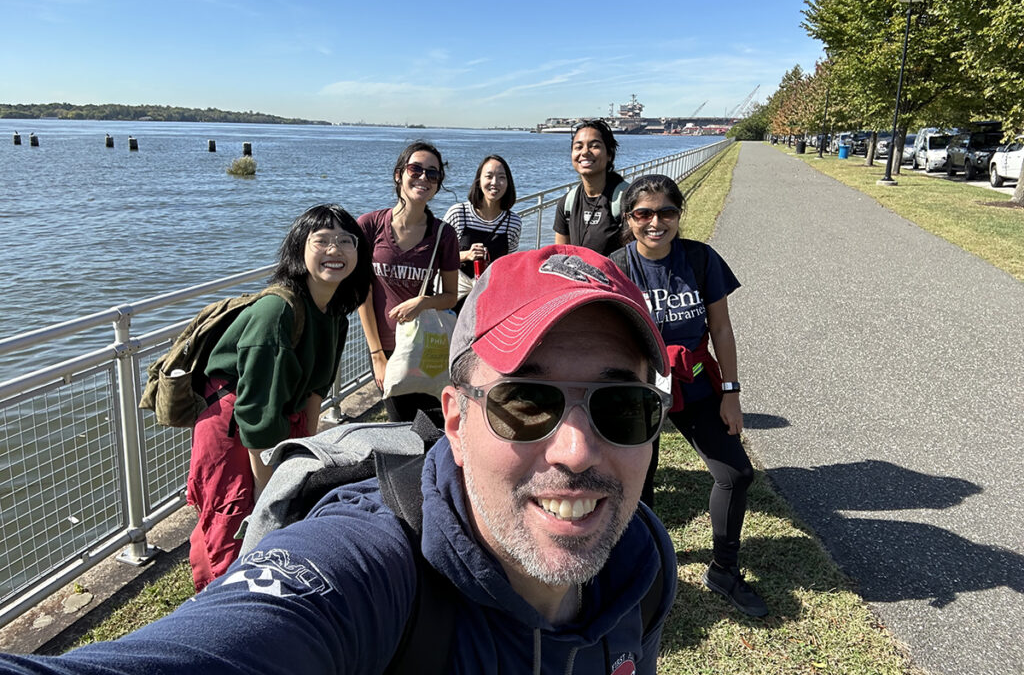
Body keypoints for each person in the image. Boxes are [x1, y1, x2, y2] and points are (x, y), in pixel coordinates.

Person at [0, 246, 678, 674]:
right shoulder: (366, 573)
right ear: (454, 419)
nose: (579, 448)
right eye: (526, 403)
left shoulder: (641, 567)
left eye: (623, 406)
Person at [187, 203, 372, 591]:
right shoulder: (277, 311)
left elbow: (317, 389)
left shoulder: (335, 310)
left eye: (345, 241)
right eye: (321, 241)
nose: (334, 250)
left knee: (279, 511)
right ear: (299, 249)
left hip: (281, 414)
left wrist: (303, 458)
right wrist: (268, 489)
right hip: (236, 423)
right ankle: (218, 604)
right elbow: (257, 415)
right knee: (236, 520)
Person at [609, 174, 767, 618]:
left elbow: (721, 328)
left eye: (666, 212)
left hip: (696, 382)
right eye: (643, 214)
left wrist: (731, 393)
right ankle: (643, 569)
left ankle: (723, 569)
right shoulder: (615, 267)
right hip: (640, 388)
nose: (655, 222)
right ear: (629, 218)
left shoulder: (699, 259)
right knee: (640, 484)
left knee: (735, 474)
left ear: (679, 215)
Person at [357, 141, 460, 423]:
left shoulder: (444, 235)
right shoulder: (370, 225)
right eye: (415, 169)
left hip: (425, 345)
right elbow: (361, 293)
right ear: (399, 174)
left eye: (433, 173)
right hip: (386, 348)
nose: (423, 178)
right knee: (399, 424)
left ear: (438, 184)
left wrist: (423, 301)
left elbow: (451, 296)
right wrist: (377, 353)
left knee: (431, 424)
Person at [442, 154, 522, 311]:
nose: (495, 183)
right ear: (479, 181)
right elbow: (437, 256)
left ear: (508, 183)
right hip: (454, 300)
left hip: (490, 302)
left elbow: (509, 266)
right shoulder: (459, 213)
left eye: (501, 177)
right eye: (489, 176)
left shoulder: (513, 223)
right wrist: (467, 255)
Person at [552, 119, 628, 255]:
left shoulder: (626, 199)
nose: (585, 152)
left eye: (595, 146)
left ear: (609, 154)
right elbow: (560, 257)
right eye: (578, 147)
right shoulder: (567, 203)